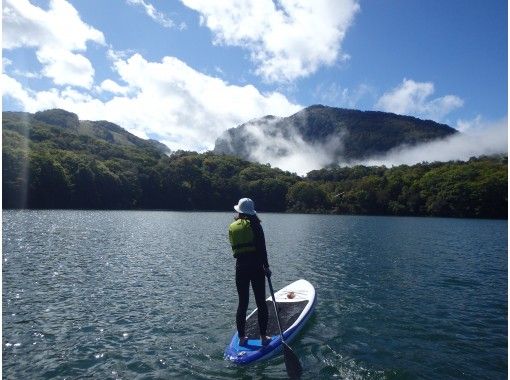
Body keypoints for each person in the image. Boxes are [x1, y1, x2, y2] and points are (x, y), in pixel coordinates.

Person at [228, 198, 272, 346]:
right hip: (256, 268)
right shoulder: (256, 226)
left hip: (240, 268)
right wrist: (266, 267)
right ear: (252, 212)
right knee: (261, 303)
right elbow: (262, 249)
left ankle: (241, 338)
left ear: (239, 211)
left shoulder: (233, 227)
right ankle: (263, 337)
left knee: (242, 303)